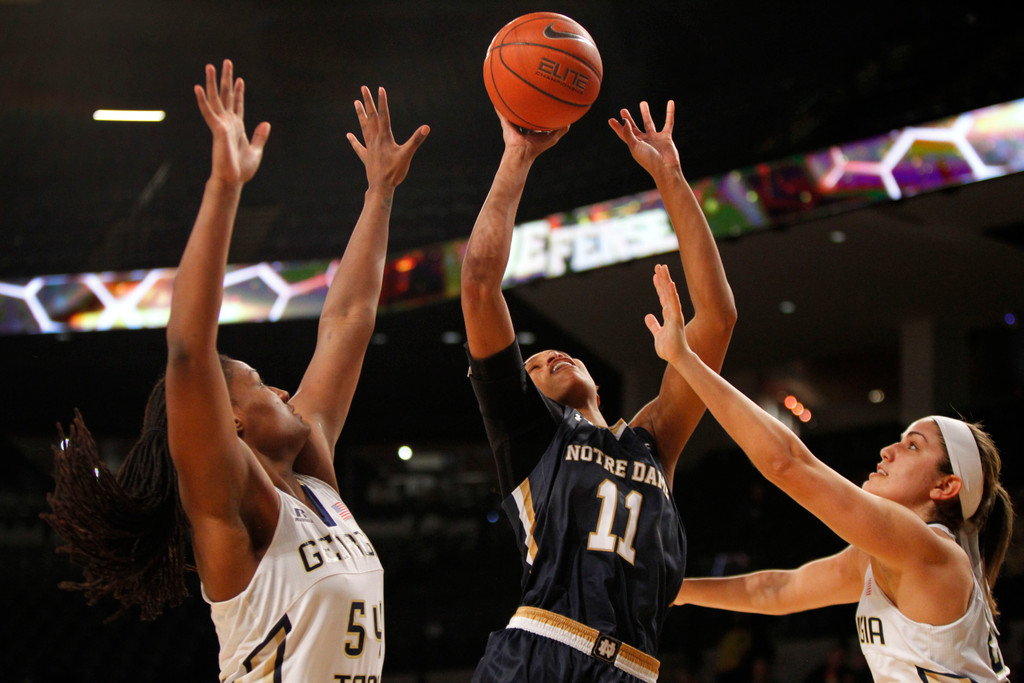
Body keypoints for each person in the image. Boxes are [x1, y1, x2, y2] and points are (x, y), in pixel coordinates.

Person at [44, 60, 429, 681]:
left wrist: (380, 192)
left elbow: (349, 318)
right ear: (228, 420)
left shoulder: (317, 481)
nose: (283, 390)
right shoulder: (231, 501)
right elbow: (189, 352)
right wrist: (224, 186)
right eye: (259, 382)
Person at [460, 101, 737, 682]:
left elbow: (716, 317)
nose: (551, 356)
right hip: (539, 654)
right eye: (533, 364)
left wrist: (671, 179)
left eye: (556, 352)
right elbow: (481, 285)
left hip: (632, 668)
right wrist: (517, 156)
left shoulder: (651, 443)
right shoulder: (531, 434)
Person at [644, 264, 1013, 681]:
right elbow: (776, 591)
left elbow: (786, 463)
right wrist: (675, 591)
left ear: (946, 486)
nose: (889, 450)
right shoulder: (880, 556)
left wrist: (685, 360)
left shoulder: (926, 549)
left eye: (913, 446)